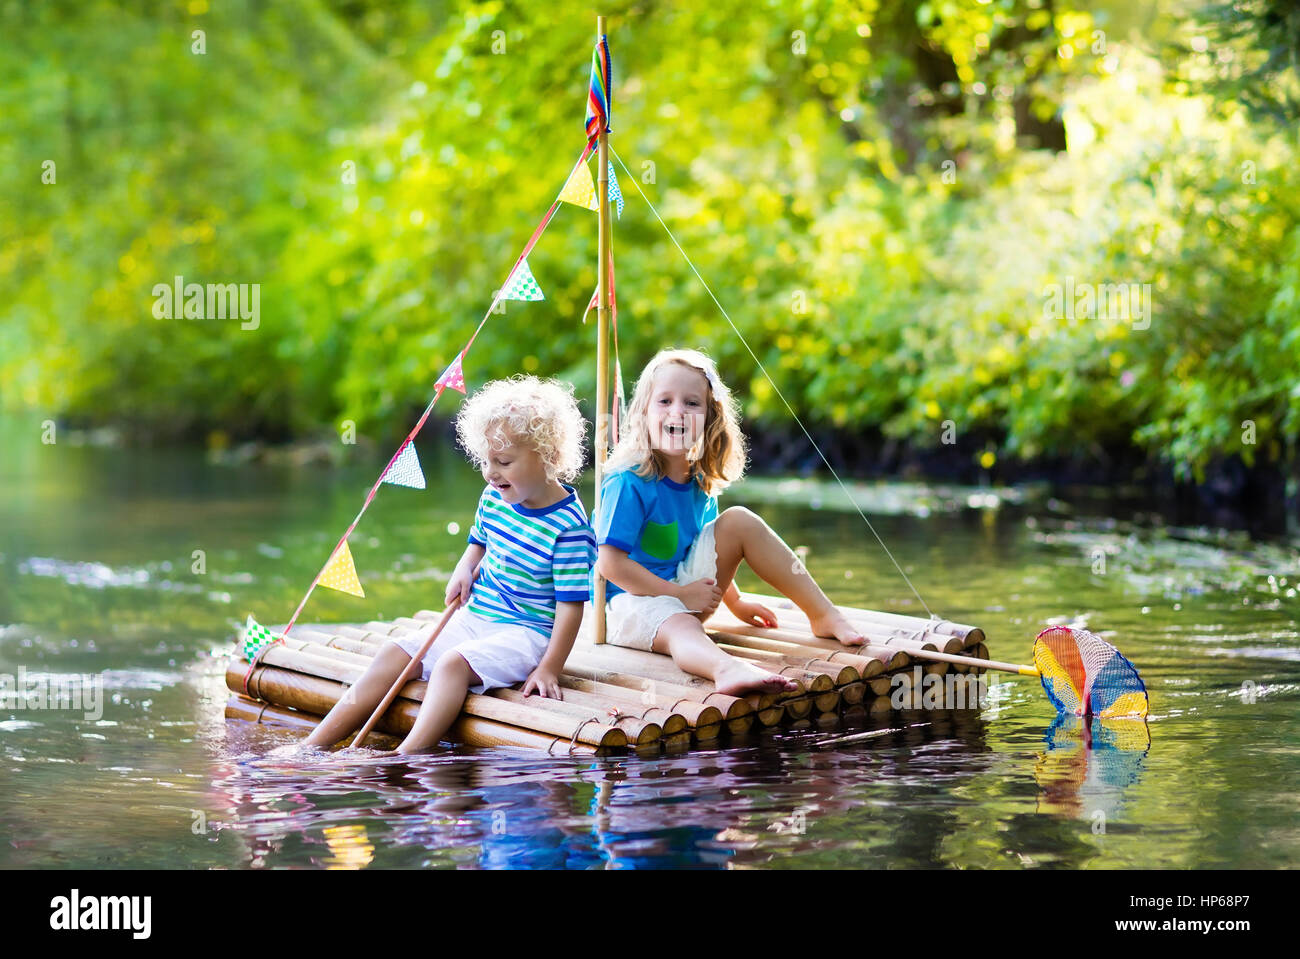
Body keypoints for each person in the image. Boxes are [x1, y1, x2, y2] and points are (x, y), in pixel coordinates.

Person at [302, 375, 595, 753]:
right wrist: (463, 568)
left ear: (549, 456)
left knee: (451, 665)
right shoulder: (494, 497)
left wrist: (549, 667)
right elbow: (478, 542)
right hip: (476, 617)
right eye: (486, 461)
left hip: (527, 633)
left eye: (504, 461)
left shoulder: (568, 526)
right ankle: (314, 745)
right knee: (395, 652)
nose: (491, 473)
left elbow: (571, 607)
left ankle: (405, 756)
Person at [594, 348, 865, 696]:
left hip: (683, 593)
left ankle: (822, 613)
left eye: (692, 403)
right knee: (682, 627)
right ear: (644, 412)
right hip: (627, 604)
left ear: (710, 418)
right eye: (665, 401)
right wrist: (679, 594)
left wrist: (734, 603)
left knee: (738, 520)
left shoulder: (698, 479)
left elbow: (704, 550)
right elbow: (610, 565)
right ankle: (725, 669)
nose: (678, 411)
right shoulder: (627, 481)